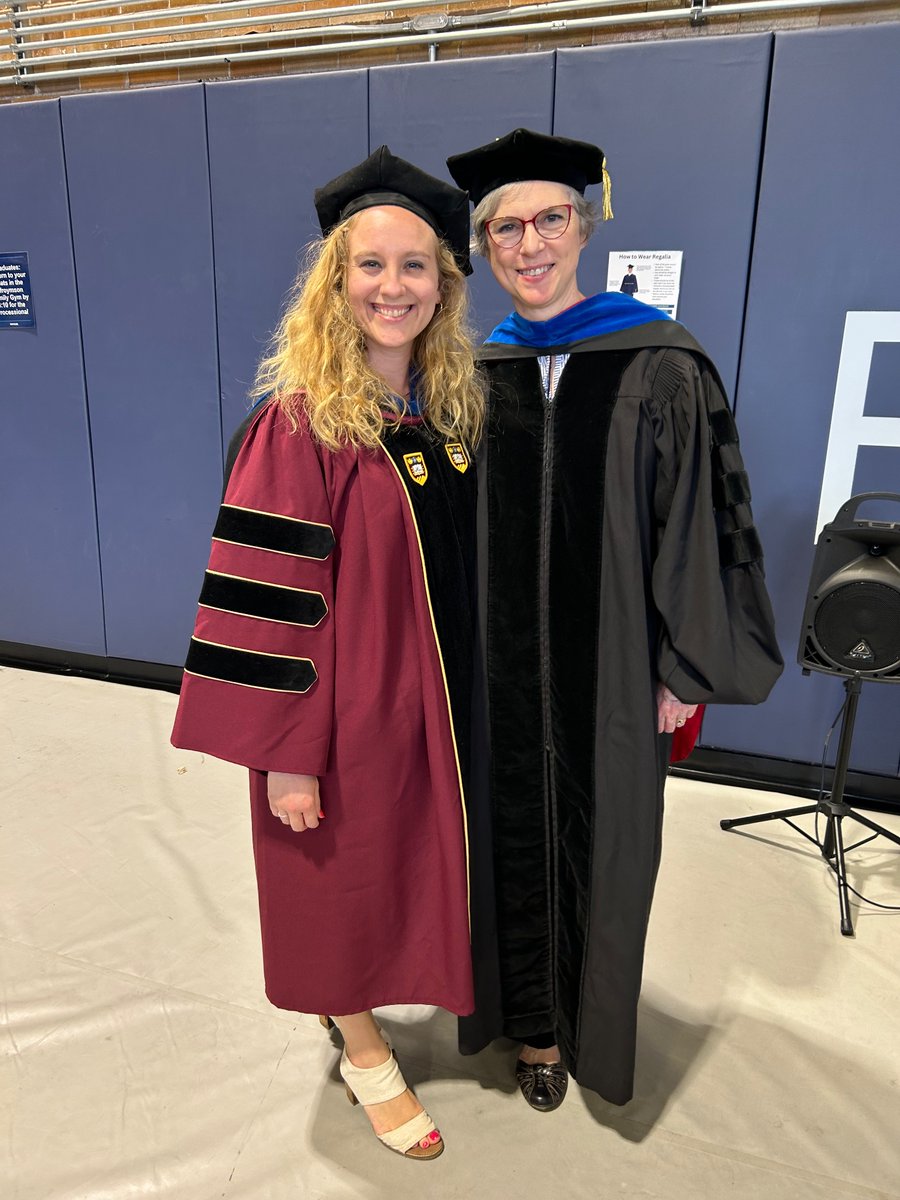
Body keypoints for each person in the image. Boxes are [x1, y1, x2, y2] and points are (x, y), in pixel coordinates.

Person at [446, 128, 783, 1110]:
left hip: (619, 677)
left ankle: (589, 1029)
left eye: (549, 218)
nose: (529, 242)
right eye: (505, 227)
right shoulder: (471, 376)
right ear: (486, 246)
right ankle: (535, 1035)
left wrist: (685, 663)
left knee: (608, 851)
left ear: (584, 225)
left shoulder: (661, 362)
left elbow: (701, 521)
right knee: (500, 841)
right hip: (496, 681)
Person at [171, 146, 484, 1160]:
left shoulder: (445, 417)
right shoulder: (300, 426)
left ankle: (392, 1004)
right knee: (337, 877)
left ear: (442, 288)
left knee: (407, 865)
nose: (392, 288)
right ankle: (363, 1052)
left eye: (415, 268)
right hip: (339, 714)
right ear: (335, 285)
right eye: (370, 266)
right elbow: (270, 604)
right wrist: (285, 755)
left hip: (426, 706)